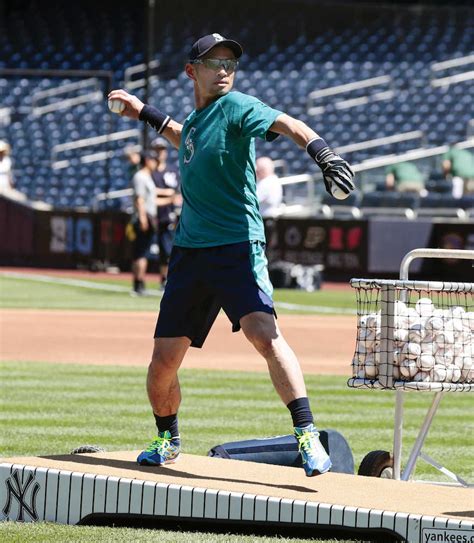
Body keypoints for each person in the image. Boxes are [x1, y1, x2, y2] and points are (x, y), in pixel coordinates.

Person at [108, 33, 354, 476]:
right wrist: (142, 111)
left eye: (230, 63)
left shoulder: (239, 106)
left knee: (265, 334)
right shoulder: (199, 120)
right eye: (214, 62)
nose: (224, 70)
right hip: (189, 256)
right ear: (191, 71)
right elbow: (185, 135)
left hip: (237, 246)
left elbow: (287, 123)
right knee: (163, 362)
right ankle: (167, 439)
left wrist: (323, 153)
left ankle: (307, 434)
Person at [150, 136, 182, 289]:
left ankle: (166, 279)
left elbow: (175, 193)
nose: (159, 153)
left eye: (161, 150)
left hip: (166, 214)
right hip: (152, 213)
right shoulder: (149, 170)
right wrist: (165, 193)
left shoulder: (171, 171)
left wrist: (160, 194)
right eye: (156, 150)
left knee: (167, 248)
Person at [130, 151, 158, 295]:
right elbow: (139, 199)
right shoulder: (141, 176)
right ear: (147, 160)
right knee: (141, 252)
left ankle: (139, 283)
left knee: (142, 252)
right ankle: (138, 284)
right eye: (153, 159)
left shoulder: (147, 176)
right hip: (144, 217)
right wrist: (142, 218)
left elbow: (151, 200)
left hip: (148, 216)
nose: (156, 162)